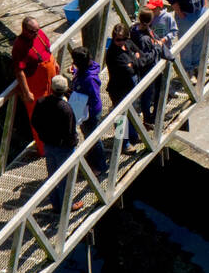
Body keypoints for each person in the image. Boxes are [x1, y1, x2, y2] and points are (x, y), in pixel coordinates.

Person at [30, 74, 83, 213]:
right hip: (63, 147)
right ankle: (67, 205)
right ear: (65, 90)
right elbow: (70, 132)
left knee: (52, 176)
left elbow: (35, 121)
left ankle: (56, 204)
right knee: (66, 178)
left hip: (48, 144)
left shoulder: (41, 102)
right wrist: (74, 143)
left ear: (51, 88)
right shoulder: (66, 108)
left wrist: (43, 135)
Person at [11, 17, 57, 157]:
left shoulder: (40, 34)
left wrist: (55, 63)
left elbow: (48, 50)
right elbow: (19, 71)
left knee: (55, 109)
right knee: (39, 118)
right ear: (25, 30)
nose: (36, 34)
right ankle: (44, 149)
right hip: (36, 86)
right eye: (32, 32)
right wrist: (27, 92)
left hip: (50, 79)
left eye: (37, 30)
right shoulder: (19, 46)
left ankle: (57, 137)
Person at [103, 22, 145, 152]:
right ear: (113, 38)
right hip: (118, 89)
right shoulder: (112, 54)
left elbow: (141, 55)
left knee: (132, 112)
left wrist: (133, 63)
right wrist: (135, 61)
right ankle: (123, 143)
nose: (121, 42)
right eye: (118, 40)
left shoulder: (128, 44)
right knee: (121, 117)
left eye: (124, 39)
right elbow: (128, 70)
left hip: (131, 86)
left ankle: (133, 136)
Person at [69, 46, 107, 174]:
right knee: (88, 136)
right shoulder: (86, 69)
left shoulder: (89, 79)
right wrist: (75, 72)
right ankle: (92, 159)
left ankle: (101, 166)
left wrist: (82, 108)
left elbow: (94, 98)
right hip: (84, 109)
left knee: (94, 139)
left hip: (90, 112)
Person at [131, 8, 164, 126]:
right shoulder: (144, 39)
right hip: (148, 69)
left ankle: (149, 118)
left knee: (148, 94)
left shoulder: (134, 29)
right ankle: (148, 119)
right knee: (148, 94)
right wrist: (157, 48)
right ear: (150, 21)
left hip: (139, 68)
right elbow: (146, 58)